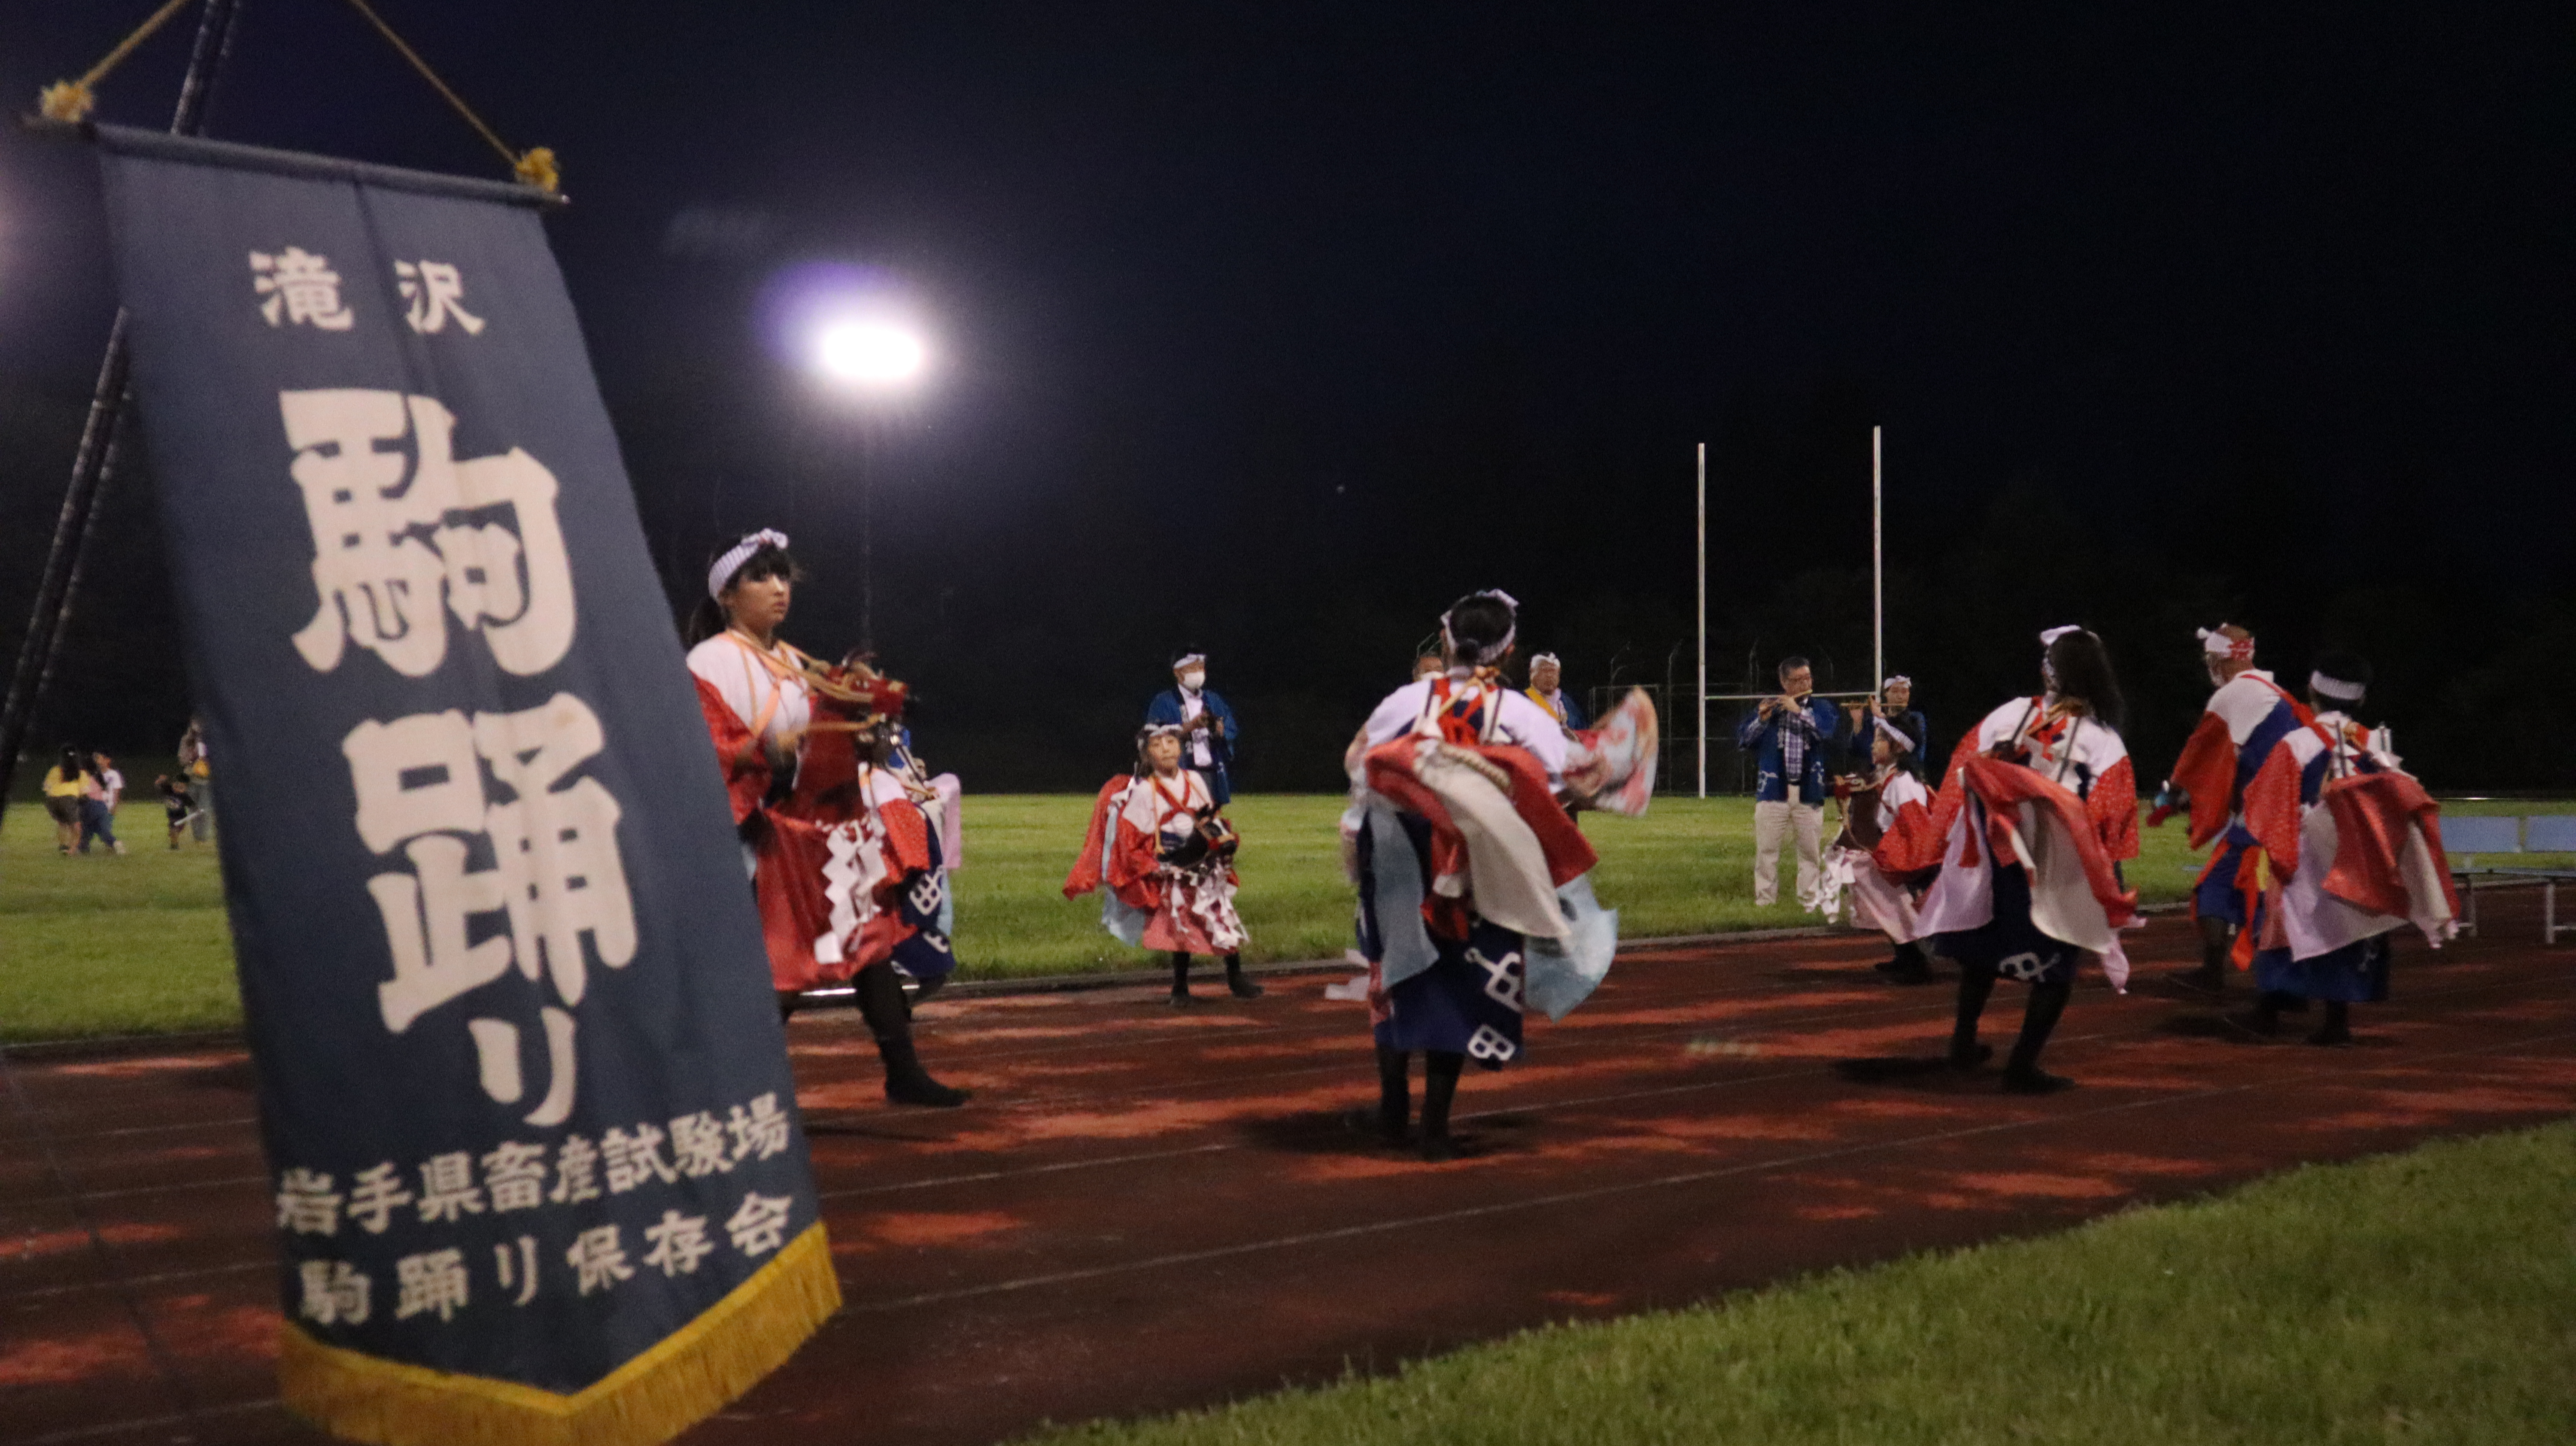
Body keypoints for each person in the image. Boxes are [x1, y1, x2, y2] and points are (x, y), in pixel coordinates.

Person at [685, 529, 970, 1107]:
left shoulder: (794, 660)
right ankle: (732, 1091)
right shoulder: (710, 660)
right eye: (761, 577)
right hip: (770, 832)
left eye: (782, 575)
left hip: (823, 830)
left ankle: (903, 1071)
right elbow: (708, 745)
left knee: (870, 946)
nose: (779, 588)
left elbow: (817, 741)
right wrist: (779, 749)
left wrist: (854, 727)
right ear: (728, 596)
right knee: (782, 961)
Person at [1344, 590, 1621, 1160]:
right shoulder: (1521, 713)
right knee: (1460, 978)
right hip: (1475, 860)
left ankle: (1393, 1108)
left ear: (1447, 641)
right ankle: (1435, 1127)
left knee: (1394, 974)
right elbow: (1563, 783)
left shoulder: (1408, 698)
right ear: (1511, 648)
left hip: (1399, 847)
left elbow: (1359, 761)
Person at [1911, 627, 2141, 1093]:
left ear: (2047, 670)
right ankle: (2022, 1064)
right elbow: (2110, 813)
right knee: (2059, 960)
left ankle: (1962, 1042)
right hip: (2058, 863)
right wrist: (2108, 874)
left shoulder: (2010, 713)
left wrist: (1942, 843)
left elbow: (1963, 772)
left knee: (1984, 946)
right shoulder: (2102, 739)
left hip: (2001, 851)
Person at [2239, 652, 2458, 1045]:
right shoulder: (2377, 744)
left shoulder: (2297, 743)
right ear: (2360, 701)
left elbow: (2268, 804)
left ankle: (2269, 1011)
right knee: (2350, 929)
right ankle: (2335, 1023)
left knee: (2288, 927)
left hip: (2308, 855)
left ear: (2313, 693)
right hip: (2362, 858)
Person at [2148, 624, 2315, 994]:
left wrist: (2172, 797)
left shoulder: (2230, 696)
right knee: (2272, 897)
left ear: (2218, 660)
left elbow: (2198, 760)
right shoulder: (2278, 694)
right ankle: (2286, 985)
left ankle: (2226, 978)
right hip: (2293, 813)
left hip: (2263, 817)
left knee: (2217, 888)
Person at [1063, 724, 1261, 1005]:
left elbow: (1208, 817)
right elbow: (1130, 837)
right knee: (1180, 925)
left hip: (1202, 863)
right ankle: (1180, 989)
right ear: (1147, 754)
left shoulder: (1194, 780)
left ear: (1181, 748)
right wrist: (1154, 865)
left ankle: (1236, 977)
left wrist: (1221, 840)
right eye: (1158, 744)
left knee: (1221, 916)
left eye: (1171, 742)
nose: (1166, 748)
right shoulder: (1146, 792)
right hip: (1174, 867)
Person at [1823, 725, 1939, 982]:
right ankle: (1905, 956)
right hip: (1896, 851)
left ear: (1897, 748)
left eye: (1879, 741)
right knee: (1864, 872)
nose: (1873, 746)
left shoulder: (1903, 782)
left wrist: (1899, 863)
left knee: (1868, 875)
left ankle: (1916, 963)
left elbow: (1916, 827)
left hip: (1908, 855)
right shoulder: (1889, 777)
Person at [1737, 656, 1843, 909]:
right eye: (1797, 680)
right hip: (1773, 792)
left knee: (1810, 853)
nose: (1805, 683)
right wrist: (1762, 720)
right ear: (1785, 683)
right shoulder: (1770, 709)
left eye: (1807, 678)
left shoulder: (1822, 708)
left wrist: (1799, 712)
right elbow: (1744, 740)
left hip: (1809, 792)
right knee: (1767, 851)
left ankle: (1808, 901)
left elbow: (1826, 733)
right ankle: (1765, 902)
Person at [1145, 651, 1240, 806]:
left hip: (1211, 773)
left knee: (1210, 822)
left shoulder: (1213, 700)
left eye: (1201, 668)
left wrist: (1220, 731)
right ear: (1178, 673)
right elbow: (1151, 735)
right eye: (1192, 669)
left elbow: (1231, 729)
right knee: (1181, 821)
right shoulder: (1164, 701)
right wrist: (1190, 727)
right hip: (1180, 772)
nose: (1198, 673)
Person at [1847, 675, 1929, 774]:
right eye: (1895, 692)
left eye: (1904, 692)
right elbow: (1860, 751)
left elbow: (1910, 747)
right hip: (1880, 777)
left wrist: (1881, 717)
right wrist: (1858, 721)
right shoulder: (1875, 721)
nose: (1900, 696)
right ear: (1886, 694)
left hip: (1905, 775)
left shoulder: (1916, 719)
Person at [1522, 653, 1588, 729]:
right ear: (1533, 674)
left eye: (1553, 670)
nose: (1550, 675)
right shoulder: (1523, 700)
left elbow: (1582, 730)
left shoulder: (1567, 702)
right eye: (1545, 670)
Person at [39, 746, 85, 856]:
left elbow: (46, 787)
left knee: (63, 823)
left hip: (52, 801)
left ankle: (63, 846)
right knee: (76, 826)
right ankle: (72, 850)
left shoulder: (56, 770)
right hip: (68, 799)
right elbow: (84, 791)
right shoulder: (80, 773)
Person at [78, 751, 125, 856]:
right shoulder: (97, 776)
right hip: (102, 806)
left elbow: (83, 793)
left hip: (90, 805)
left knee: (88, 829)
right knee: (100, 830)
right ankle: (114, 843)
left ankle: (83, 847)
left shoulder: (84, 776)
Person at [176, 718, 213, 842]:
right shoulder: (187, 740)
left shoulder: (210, 739)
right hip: (191, 779)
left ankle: (203, 837)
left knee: (205, 809)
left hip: (206, 780)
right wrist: (192, 758)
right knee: (193, 809)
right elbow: (182, 760)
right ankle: (197, 836)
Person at [156, 774, 194, 849]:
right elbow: (162, 785)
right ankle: (174, 845)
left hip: (182, 817)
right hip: (172, 816)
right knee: (173, 830)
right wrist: (162, 781)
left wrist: (197, 810)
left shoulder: (184, 796)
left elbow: (191, 804)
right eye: (176, 786)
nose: (178, 789)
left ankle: (174, 841)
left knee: (175, 831)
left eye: (181, 788)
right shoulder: (168, 791)